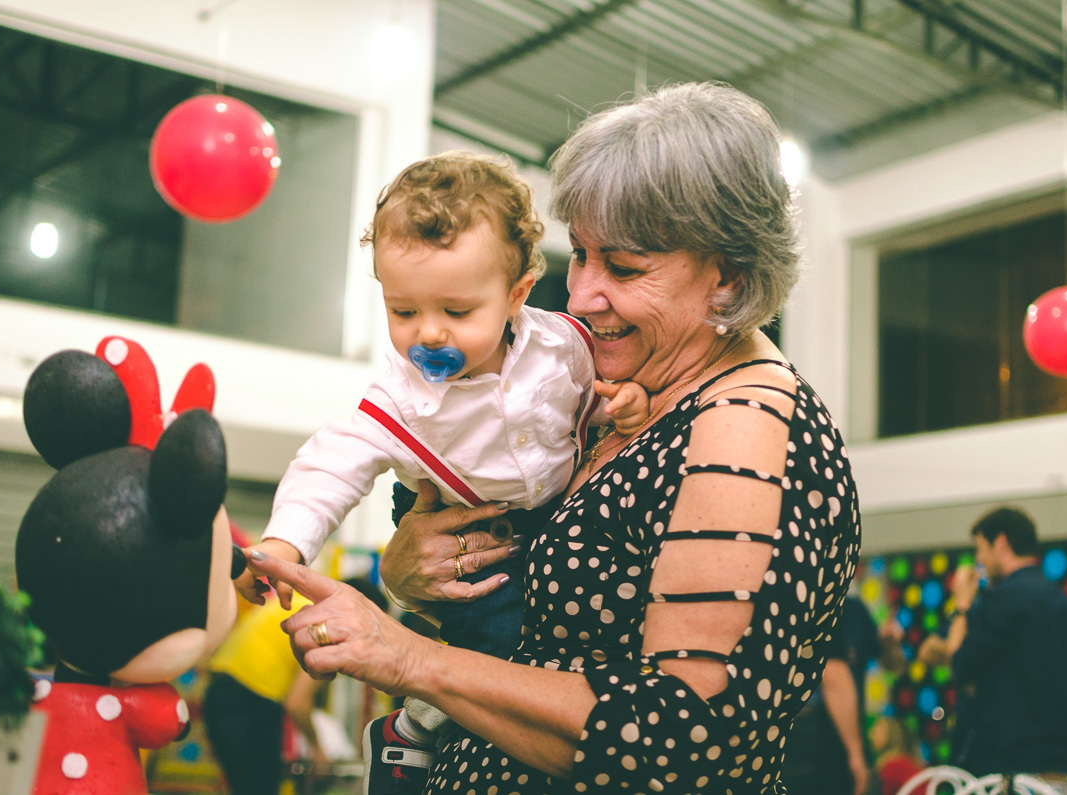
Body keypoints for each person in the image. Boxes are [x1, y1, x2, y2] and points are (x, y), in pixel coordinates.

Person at [246, 81, 862, 794]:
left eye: (623, 267)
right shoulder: (624, 392)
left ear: (727, 277)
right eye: (581, 255)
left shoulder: (746, 429)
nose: (580, 295)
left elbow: (687, 737)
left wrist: (411, 659)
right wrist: (411, 570)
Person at [237, 151, 649, 787]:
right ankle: (416, 727)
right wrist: (285, 542)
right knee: (506, 642)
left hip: (550, 512)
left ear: (516, 295)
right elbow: (332, 463)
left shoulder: (563, 344)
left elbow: (588, 400)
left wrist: (622, 403)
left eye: (456, 312)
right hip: (464, 525)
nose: (428, 334)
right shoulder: (401, 398)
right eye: (403, 312)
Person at [916, 506, 1067, 778]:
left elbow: (960, 664)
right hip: (1058, 766)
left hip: (1005, 769)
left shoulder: (1000, 601)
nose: (979, 559)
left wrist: (961, 606)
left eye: (980, 549)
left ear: (1001, 542)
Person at [204, 577, 387, 795]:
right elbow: (297, 703)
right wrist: (318, 749)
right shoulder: (325, 625)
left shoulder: (301, 604)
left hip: (220, 693)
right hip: (249, 703)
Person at [781, 595, 898, 795]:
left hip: (837, 737)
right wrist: (855, 754)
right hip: (818, 744)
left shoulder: (855, 609)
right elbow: (832, 675)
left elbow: (895, 665)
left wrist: (890, 643)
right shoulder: (820, 600)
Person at [870, 716, 923, 795]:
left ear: (891, 736)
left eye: (878, 731)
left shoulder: (892, 767)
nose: (871, 735)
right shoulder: (906, 761)